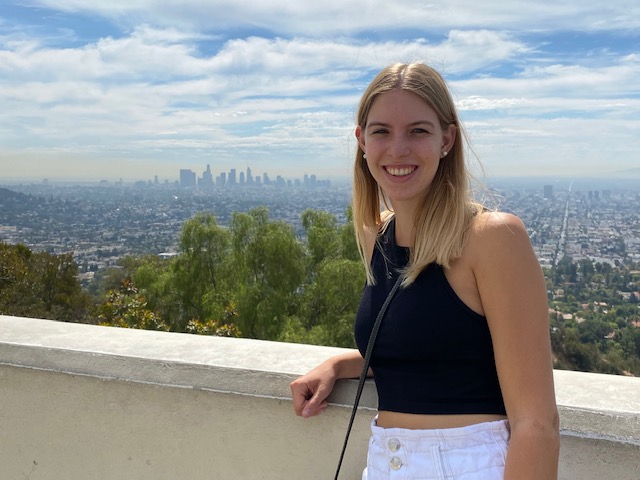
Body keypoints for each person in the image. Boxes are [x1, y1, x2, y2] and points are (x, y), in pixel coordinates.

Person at [290, 62, 559, 479]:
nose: (398, 149)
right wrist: (339, 365)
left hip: (468, 464)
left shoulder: (491, 239)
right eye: (381, 131)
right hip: (385, 462)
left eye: (418, 130)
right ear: (361, 141)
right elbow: (424, 350)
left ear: (446, 139)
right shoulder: (375, 235)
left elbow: (536, 423)